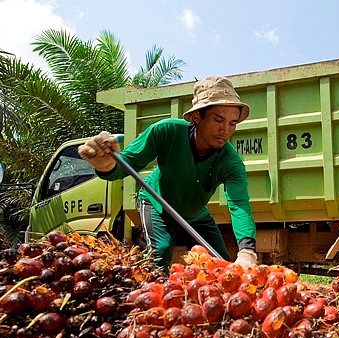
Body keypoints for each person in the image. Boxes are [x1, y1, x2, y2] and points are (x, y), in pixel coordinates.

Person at [78, 76, 257, 270]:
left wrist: (247, 251)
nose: (226, 130)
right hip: (157, 203)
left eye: (233, 123)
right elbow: (126, 164)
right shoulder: (165, 132)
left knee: (220, 265)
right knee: (160, 252)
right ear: (197, 116)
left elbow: (239, 205)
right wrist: (105, 165)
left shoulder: (231, 162)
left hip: (195, 214)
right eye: (218, 119)